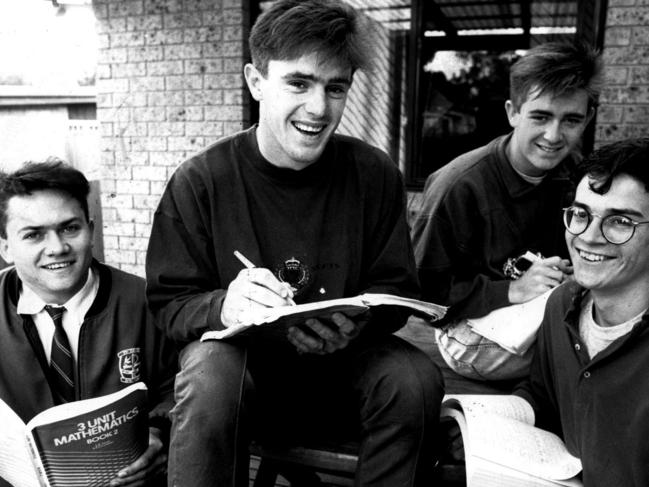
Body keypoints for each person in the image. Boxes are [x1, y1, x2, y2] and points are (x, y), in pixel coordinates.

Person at [145, 1, 444, 486]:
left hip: (344, 371)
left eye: (336, 88)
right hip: (246, 379)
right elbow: (168, 303)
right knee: (208, 373)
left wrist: (356, 326)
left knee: (413, 379)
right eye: (299, 83)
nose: (319, 108)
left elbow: (395, 288)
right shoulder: (201, 180)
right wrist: (227, 305)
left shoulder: (375, 174)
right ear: (256, 81)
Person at [411, 41, 602, 380]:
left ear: (587, 119)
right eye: (540, 116)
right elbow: (421, 297)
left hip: (543, 310)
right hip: (466, 332)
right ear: (513, 112)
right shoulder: (459, 185)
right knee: (601, 346)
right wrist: (512, 290)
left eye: (571, 119)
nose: (554, 135)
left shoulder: (577, 176)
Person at [0, 160, 177, 487]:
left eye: (70, 228)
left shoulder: (148, 302)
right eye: (34, 235)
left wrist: (159, 434)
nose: (56, 248)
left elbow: (178, 387)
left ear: (91, 229)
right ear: (5, 247)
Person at [514, 138, 649, 486]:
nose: (588, 237)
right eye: (580, 214)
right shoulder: (561, 305)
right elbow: (543, 395)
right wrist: (497, 419)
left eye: (620, 221)